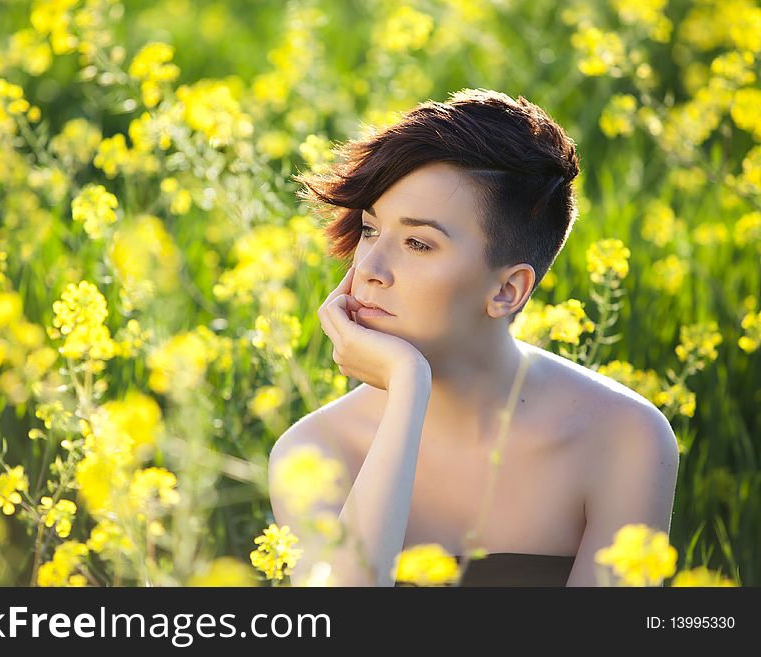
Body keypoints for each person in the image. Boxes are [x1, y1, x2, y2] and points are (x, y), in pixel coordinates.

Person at [268, 88, 680, 587]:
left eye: (418, 243)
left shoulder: (624, 437)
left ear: (508, 290)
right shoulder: (315, 451)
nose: (369, 268)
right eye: (371, 230)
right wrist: (406, 387)